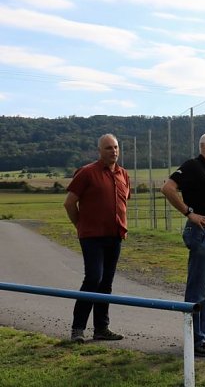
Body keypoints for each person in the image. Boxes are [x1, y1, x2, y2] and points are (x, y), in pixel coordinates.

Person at [161, 132, 205, 358]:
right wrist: (189, 213)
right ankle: (195, 340)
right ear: (203, 147)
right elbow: (168, 188)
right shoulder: (192, 166)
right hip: (202, 233)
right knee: (197, 288)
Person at [64, 133, 130, 343]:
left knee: (106, 283)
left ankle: (101, 328)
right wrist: (80, 226)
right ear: (99, 151)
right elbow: (69, 203)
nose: (114, 151)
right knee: (93, 278)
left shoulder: (123, 174)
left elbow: (122, 203)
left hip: (115, 236)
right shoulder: (87, 173)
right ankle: (78, 329)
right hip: (92, 237)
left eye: (116, 147)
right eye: (109, 148)